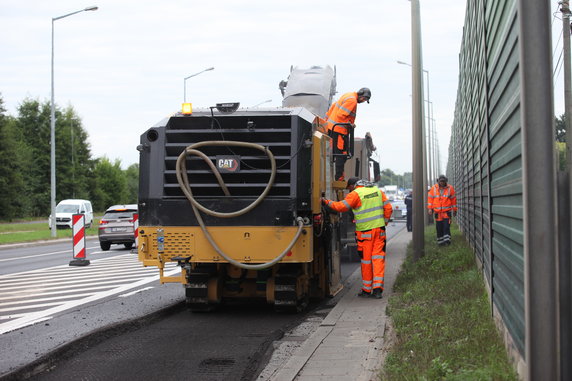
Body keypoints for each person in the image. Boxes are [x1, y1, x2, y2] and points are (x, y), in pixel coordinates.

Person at [321, 177, 392, 299]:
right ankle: (378, 290)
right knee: (378, 259)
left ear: (354, 186)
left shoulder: (356, 194)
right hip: (379, 232)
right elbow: (388, 208)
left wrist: (326, 202)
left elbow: (340, 207)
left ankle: (366, 290)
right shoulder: (377, 191)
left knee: (366, 261)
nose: (349, 190)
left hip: (365, 234)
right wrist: (384, 222)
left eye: (349, 188)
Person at [325, 88, 371, 180]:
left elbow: (334, 107)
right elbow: (341, 115)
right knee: (341, 154)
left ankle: (339, 175)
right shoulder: (352, 101)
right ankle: (339, 177)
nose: (363, 101)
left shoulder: (347, 95)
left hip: (333, 128)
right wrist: (350, 124)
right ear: (360, 94)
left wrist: (326, 122)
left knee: (341, 153)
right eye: (364, 98)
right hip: (339, 130)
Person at [427, 175, 457, 245]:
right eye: (441, 181)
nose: (442, 183)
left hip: (447, 212)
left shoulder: (450, 188)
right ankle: (440, 242)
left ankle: (447, 242)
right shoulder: (433, 188)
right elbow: (430, 199)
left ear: (446, 181)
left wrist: (455, 210)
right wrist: (430, 209)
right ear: (438, 181)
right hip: (438, 213)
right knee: (439, 227)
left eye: (443, 181)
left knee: (446, 227)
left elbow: (453, 200)